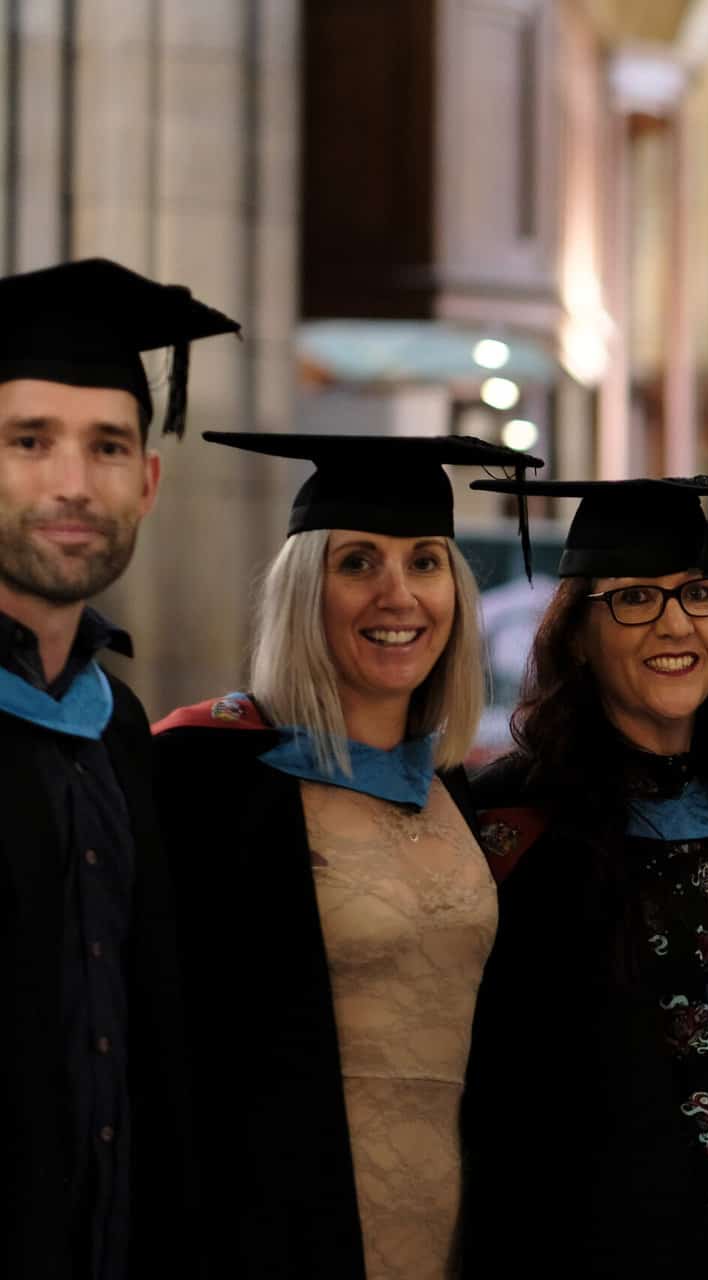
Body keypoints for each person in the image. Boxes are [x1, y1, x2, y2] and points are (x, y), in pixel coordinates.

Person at [148, 432, 538, 1280]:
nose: (398, 595)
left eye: (426, 563)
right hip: (277, 1232)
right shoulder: (207, 779)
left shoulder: (456, 794)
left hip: (452, 1236)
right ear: (303, 591)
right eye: (358, 562)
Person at [459, 471, 708, 1279]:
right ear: (577, 636)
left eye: (699, 594)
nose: (676, 624)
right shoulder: (509, 830)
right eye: (634, 598)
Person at [0, 258, 238, 1280]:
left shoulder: (121, 732)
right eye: (29, 441)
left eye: (107, 446)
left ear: (146, 480)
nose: (72, 482)